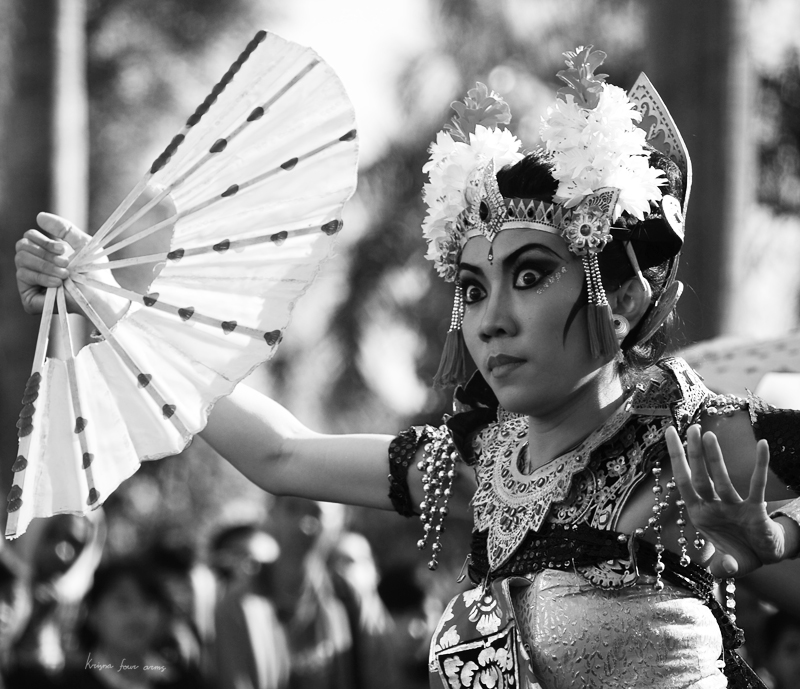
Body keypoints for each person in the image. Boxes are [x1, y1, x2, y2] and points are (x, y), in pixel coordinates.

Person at [14, 45, 800, 688]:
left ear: (623, 296)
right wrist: (109, 303)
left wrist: (775, 540)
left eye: (530, 275)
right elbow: (279, 454)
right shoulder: (479, 468)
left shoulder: (697, 445)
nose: (492, 318)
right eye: (473, 285)